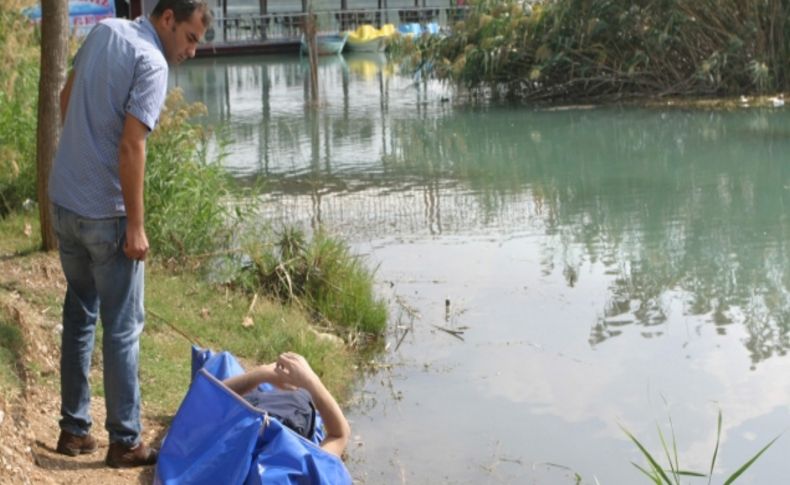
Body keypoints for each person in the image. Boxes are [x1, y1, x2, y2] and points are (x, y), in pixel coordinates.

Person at [49, 0, 211, 468]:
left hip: (65, 203)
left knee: (80, 314)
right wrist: (136, 227)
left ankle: (74, 430)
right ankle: (124, 440)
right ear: (166, 19)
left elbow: (65, 100)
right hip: (106, 216)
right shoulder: (152, 61)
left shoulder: (102, 33)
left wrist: (79, 166)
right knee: (123, 328)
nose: (192, 50)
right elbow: (131, 144)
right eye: (190, 37)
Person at [223, 352, 351, 458]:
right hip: (284, 417)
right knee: (299, 399)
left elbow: (208, 400)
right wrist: (311, 382)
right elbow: (339, 435)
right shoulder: (299, 471)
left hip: (246, 421)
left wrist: (260, 374)